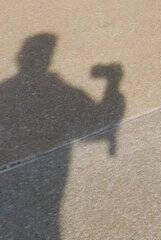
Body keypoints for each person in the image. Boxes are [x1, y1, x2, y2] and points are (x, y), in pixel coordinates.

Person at [0, 33, 125, 239]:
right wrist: (114, 83)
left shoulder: (6, 90)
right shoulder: (63, 91)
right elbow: (97, 126)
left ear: (20, 56)